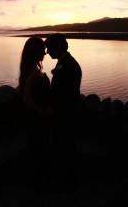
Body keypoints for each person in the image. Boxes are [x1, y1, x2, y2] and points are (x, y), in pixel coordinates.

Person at [45, 33, 82, 190]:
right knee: (66, 146)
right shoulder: (66, 62)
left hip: (64, 115)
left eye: (49, 48)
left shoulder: (67, 65)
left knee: (64, 146)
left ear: (56, 48)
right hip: (66, 113)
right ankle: (68, 178)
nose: (47, 52)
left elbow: (63, 94)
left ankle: (66, 181)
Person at [18, 37, 51, 190]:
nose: (45, 52)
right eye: (42, 50)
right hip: (36, 119)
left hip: (35, 119)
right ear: (35, 52)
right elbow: (27, 100)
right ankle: (37, 184)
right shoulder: (33, 74)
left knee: (37, 149)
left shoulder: (30, 70)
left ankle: (36, 181)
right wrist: (44, 113)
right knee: (38, 150)